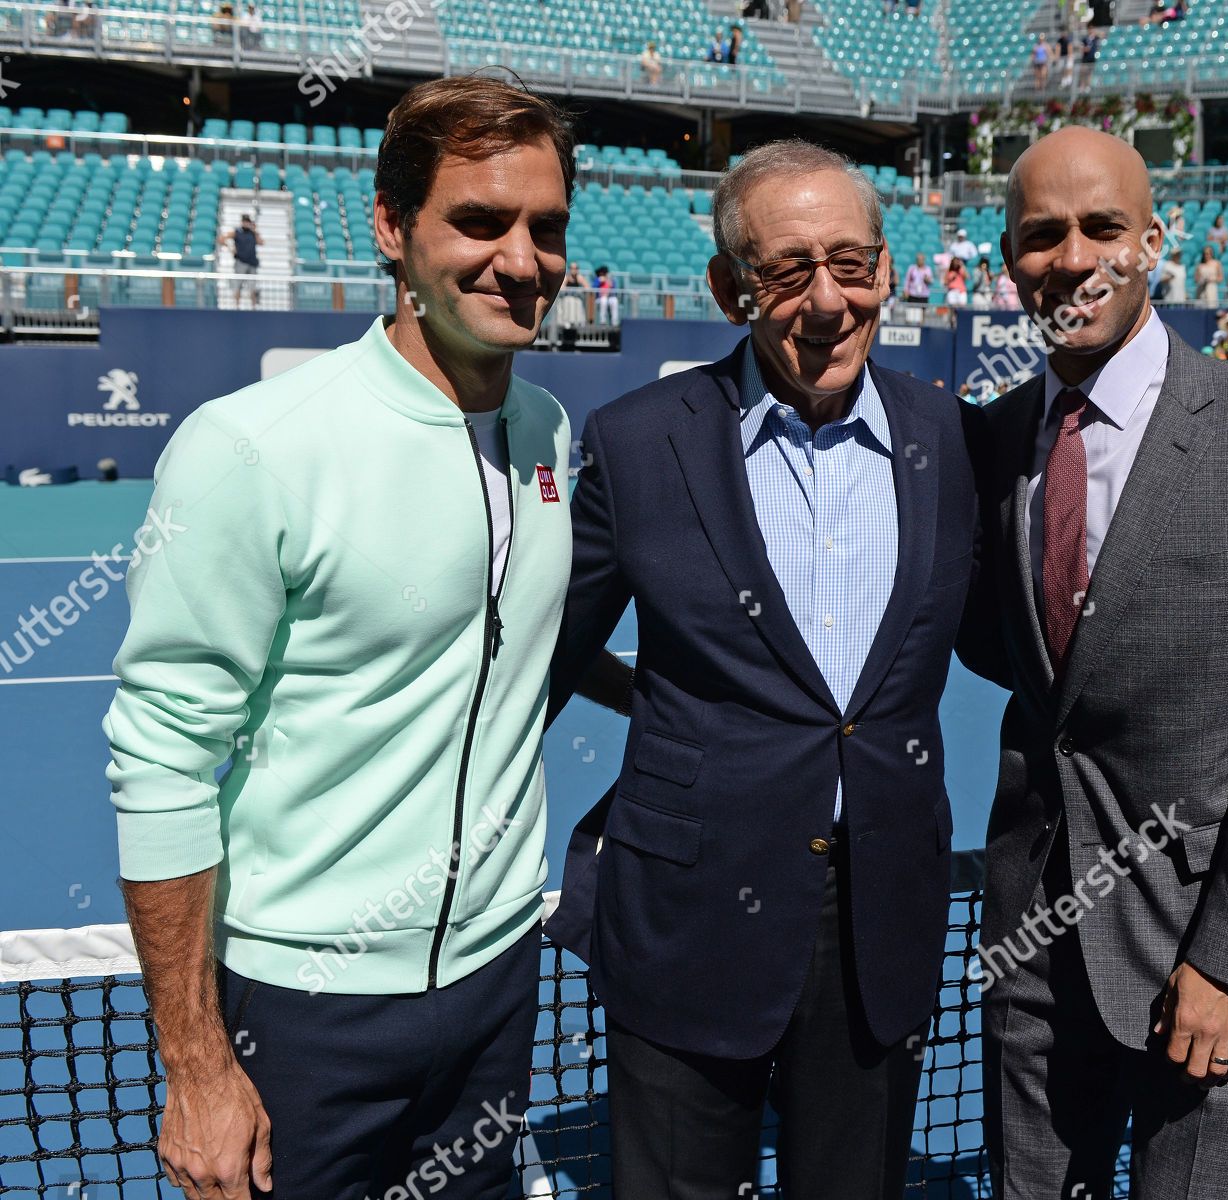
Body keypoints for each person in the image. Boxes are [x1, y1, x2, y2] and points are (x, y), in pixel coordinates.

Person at [105, 76, 578, 1200]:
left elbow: (506, 644)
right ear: (390, 229)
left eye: (545, 229)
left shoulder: (550, 430)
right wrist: (196, 1062)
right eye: (479, 222)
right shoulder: (252, 446)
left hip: (497, 983)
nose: (521, 259)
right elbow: (162, 757)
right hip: (302, 1016)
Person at [545, 138, 977, 1200]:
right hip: (688, 909)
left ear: (886, 271)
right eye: (788, 271)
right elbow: (542, 653)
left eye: (852, 264)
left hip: (879, 916)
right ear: (731, 289)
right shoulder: (639, 441)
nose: (827, 302)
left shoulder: (954, 437)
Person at [958, 125, 1228, 1200]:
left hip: (1213, 955)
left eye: (1103, 227)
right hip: (1035, 945)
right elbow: (1007, 654)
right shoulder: (993, 438)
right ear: (1009, 260)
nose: (1074, 257)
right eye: (1043, 234)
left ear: (1154, 241)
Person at [218, 212, 263, 309]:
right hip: (240, 262)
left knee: (252, 287)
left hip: (252, 263)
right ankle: (237, 306)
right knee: (238, 285)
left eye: (248, 222)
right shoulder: (236, 232)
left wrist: (255, 231)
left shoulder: (253, 233)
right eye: (244, 221)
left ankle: (253, 307)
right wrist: (230, 248)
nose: (246, 223)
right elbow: (221, 238)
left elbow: (261, 242)